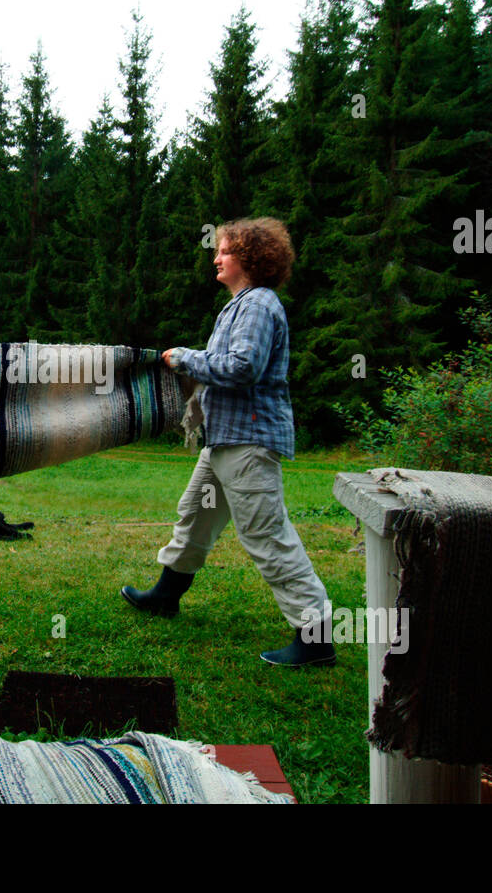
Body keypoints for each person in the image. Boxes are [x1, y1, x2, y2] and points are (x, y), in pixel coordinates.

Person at [120, 217, 335, 667]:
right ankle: (165, 596)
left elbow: (241, 368)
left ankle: (315, 640)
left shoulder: (257, 304)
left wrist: (184, 359)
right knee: (195, 516)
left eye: (224, 251)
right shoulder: (242, 305)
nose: (216, 258)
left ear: (250, 258)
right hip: (224, 442)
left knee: (266, 534)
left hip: (249, 443)